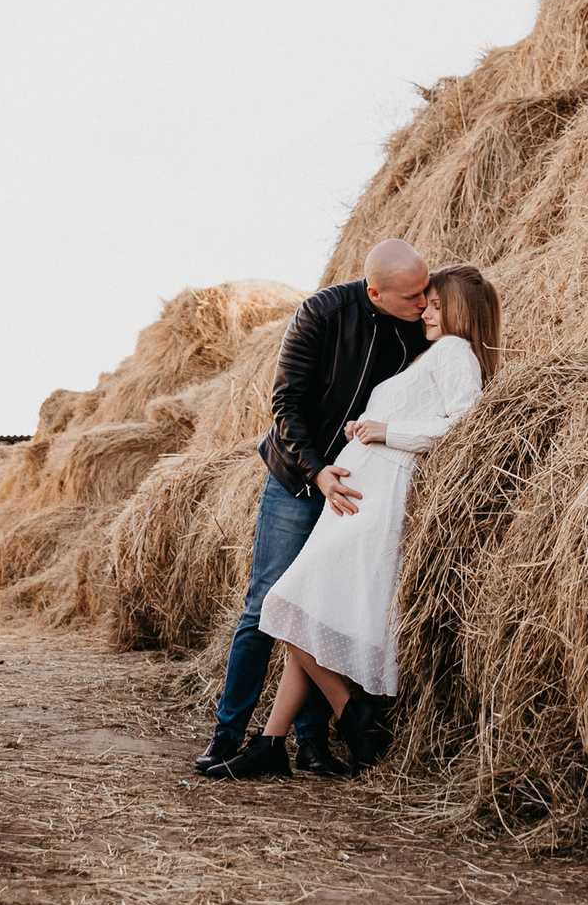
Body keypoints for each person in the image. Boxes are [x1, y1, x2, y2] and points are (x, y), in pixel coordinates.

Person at [207, 264, 500, 781]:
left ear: (459, 310)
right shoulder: (346, 318)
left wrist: (384, 430)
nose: (422, 310)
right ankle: (271, 743)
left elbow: (465, 424)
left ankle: (352, 713)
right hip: (345, 488)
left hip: (374, 497)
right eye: (419, 301)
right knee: (306, 611)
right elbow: (289, 400)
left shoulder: (455, 351)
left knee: (287, 605)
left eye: (433, 303)